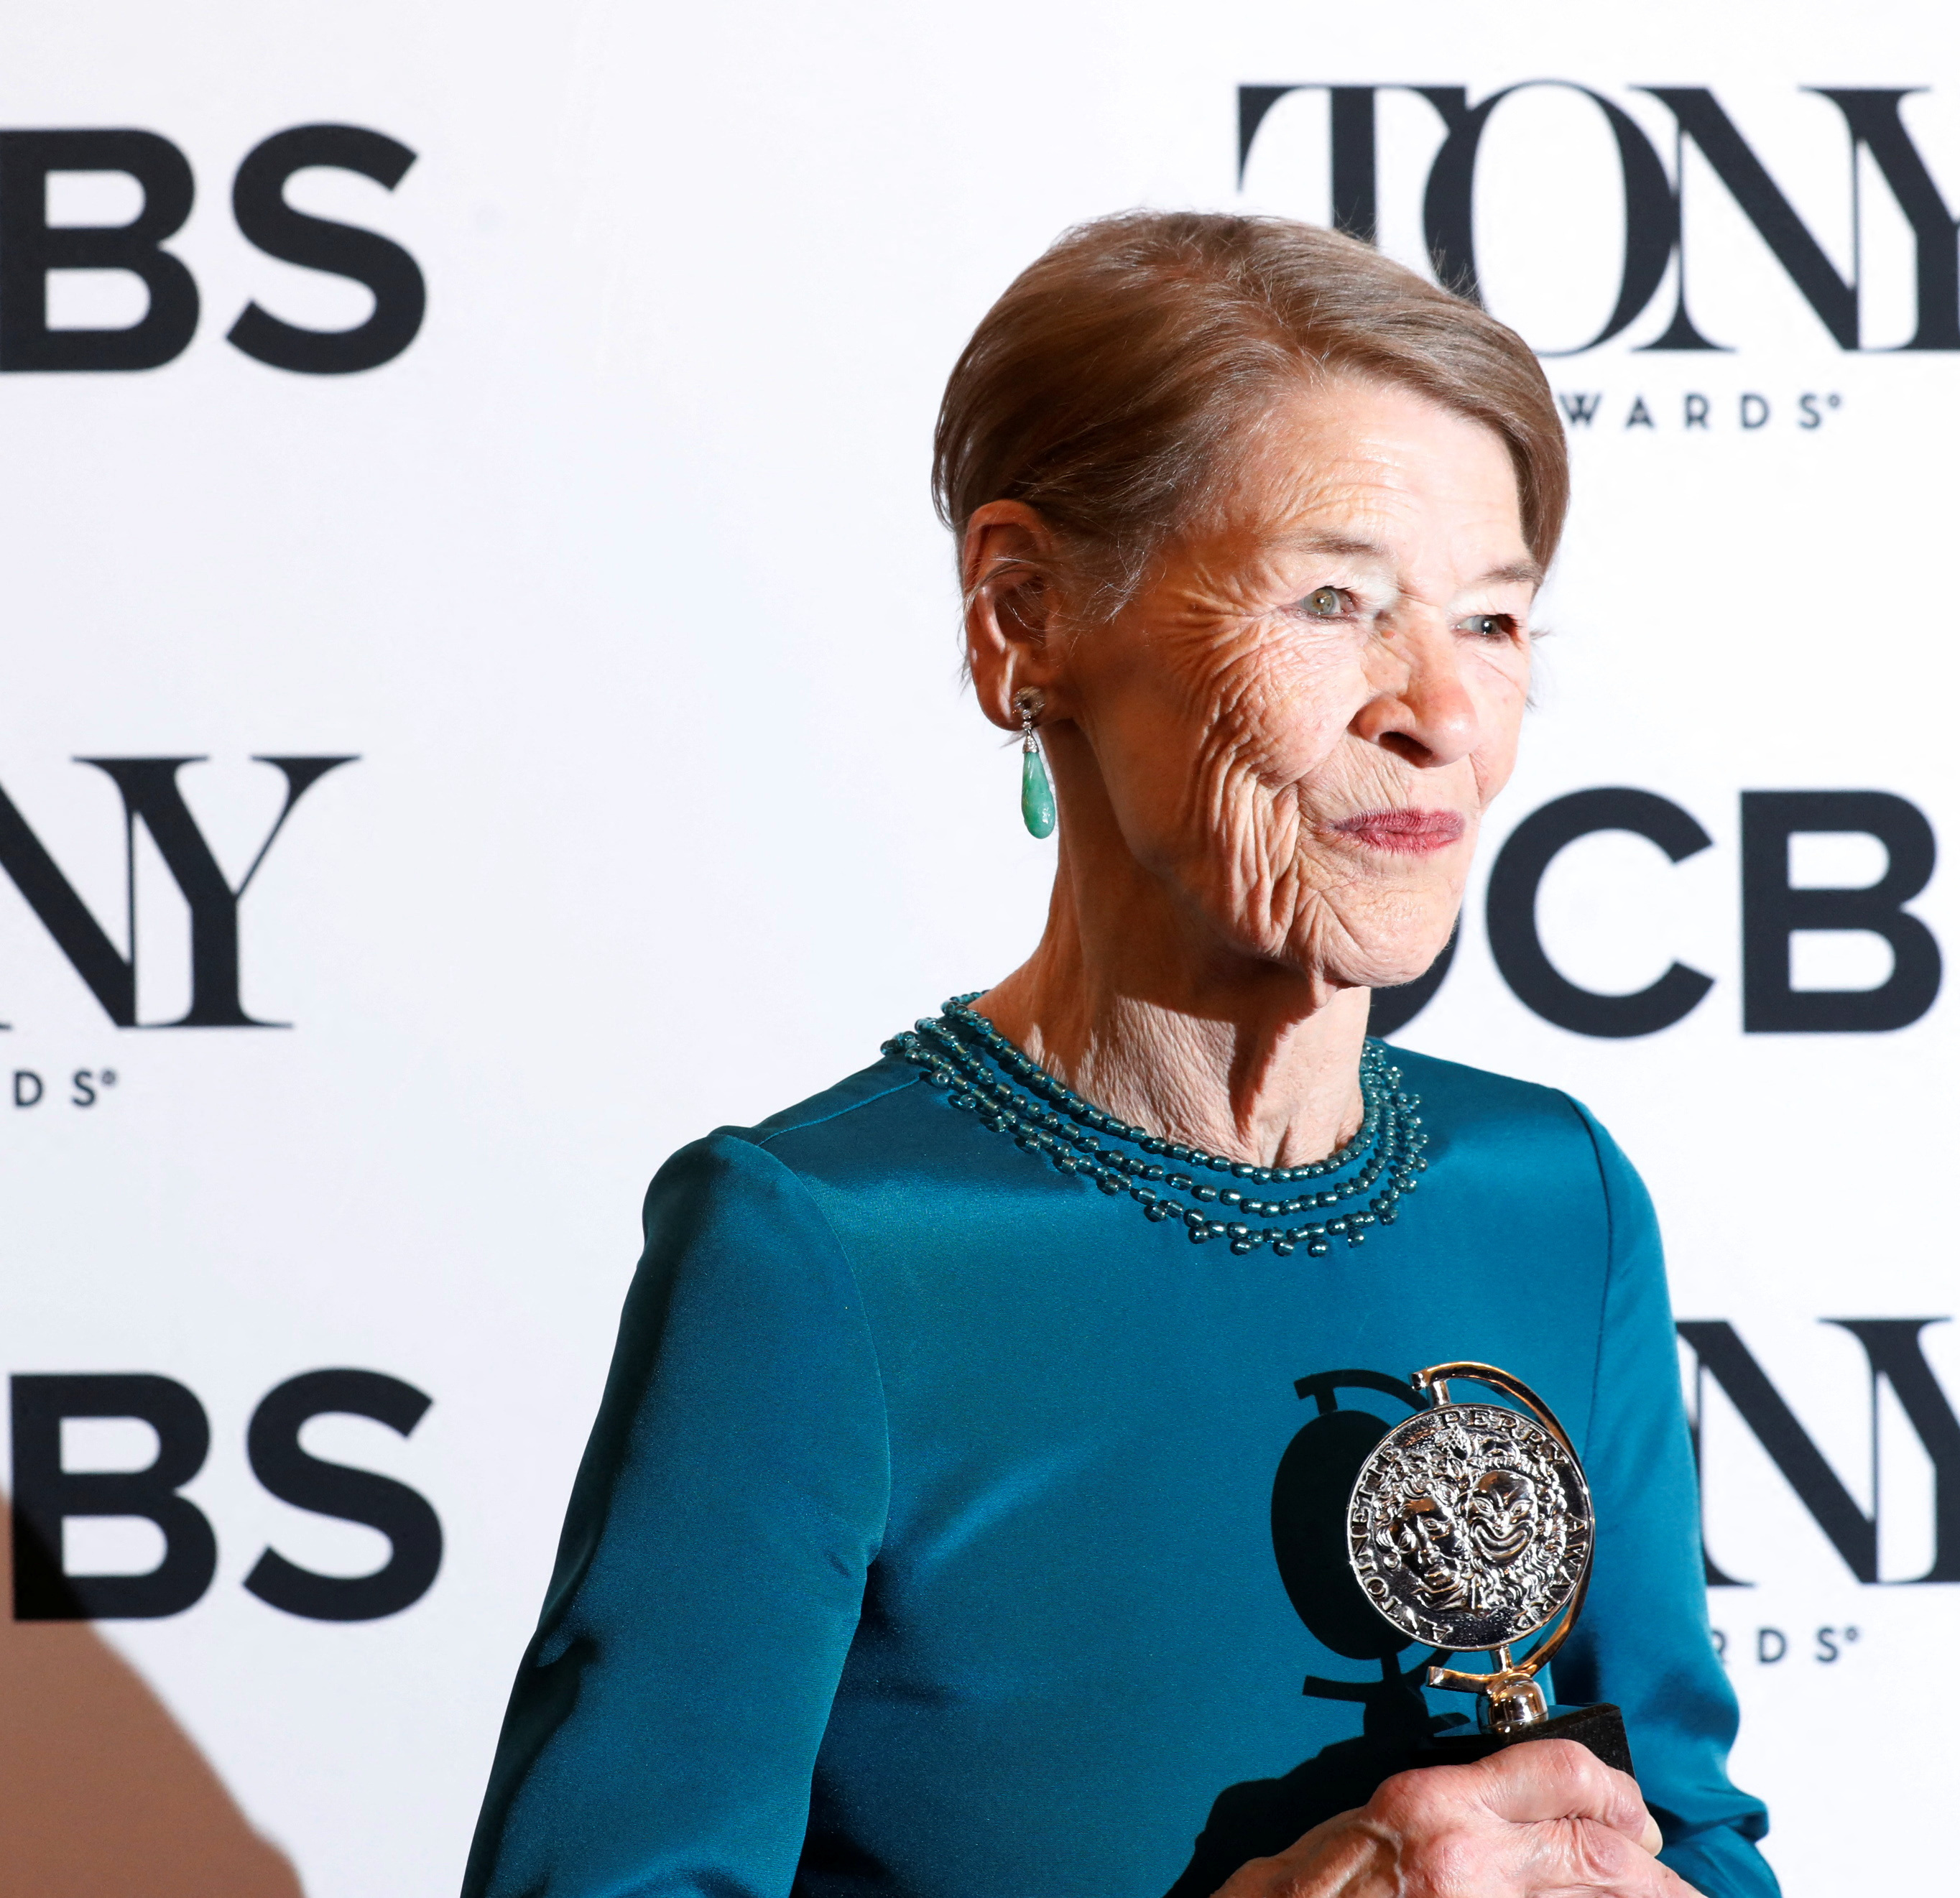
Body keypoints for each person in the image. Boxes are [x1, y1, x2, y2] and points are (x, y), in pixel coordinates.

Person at [462, 210, 1776, 1898]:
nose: (1440, 711)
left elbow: (1693, 1829)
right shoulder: (826, 1254)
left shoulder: (1556, 1198)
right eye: (1335, 601)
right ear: (1025, 616)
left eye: (1496, 623)